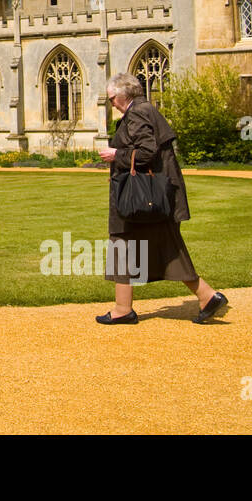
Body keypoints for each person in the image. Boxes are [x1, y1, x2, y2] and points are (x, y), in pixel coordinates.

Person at [96, 72, 228, 325]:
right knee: (165, 246)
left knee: (122, 241)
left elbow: (147, 152)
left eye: (112, 98)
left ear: (124, 95)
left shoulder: (136, 113)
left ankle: (124, 309)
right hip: (154, 194)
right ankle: (206, 295)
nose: (111, 103)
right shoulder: (145, 110)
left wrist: (117, 155)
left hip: (144, 198)